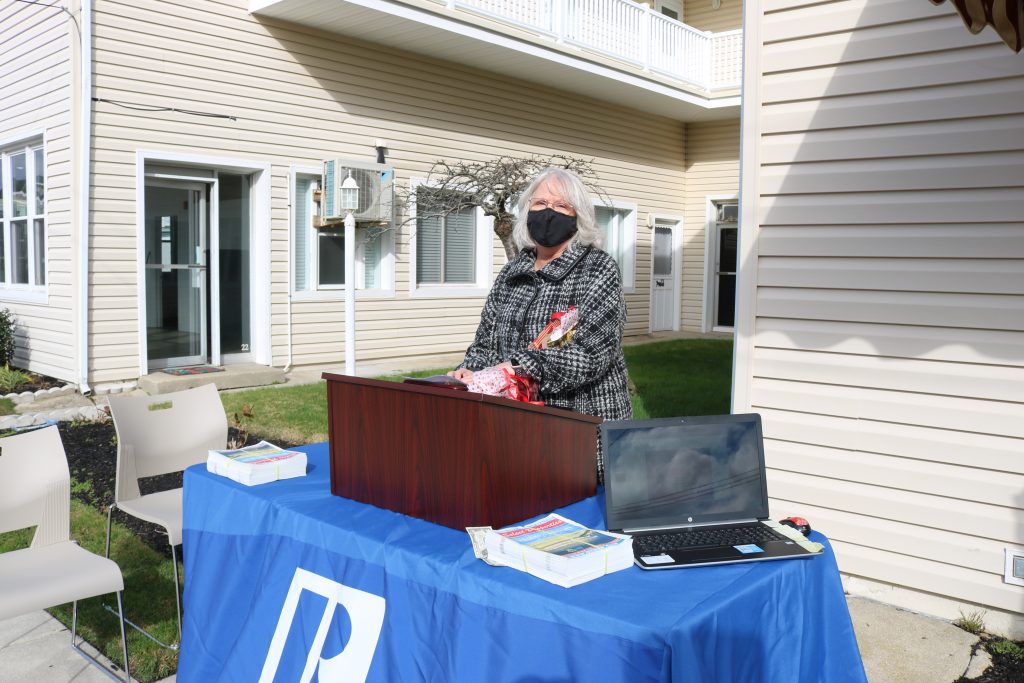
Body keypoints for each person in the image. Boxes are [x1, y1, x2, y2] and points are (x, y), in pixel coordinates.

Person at [449, 167, 632, 478]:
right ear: (526, 211)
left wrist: (520, 367)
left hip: (581, 435)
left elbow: (590, 355)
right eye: (540, 204)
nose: (549, 213)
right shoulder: (512, 272)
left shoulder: (598, 269)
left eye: (561, 206)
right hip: (515, 430)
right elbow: (485, 341)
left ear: (579, 217)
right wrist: (471, 370)